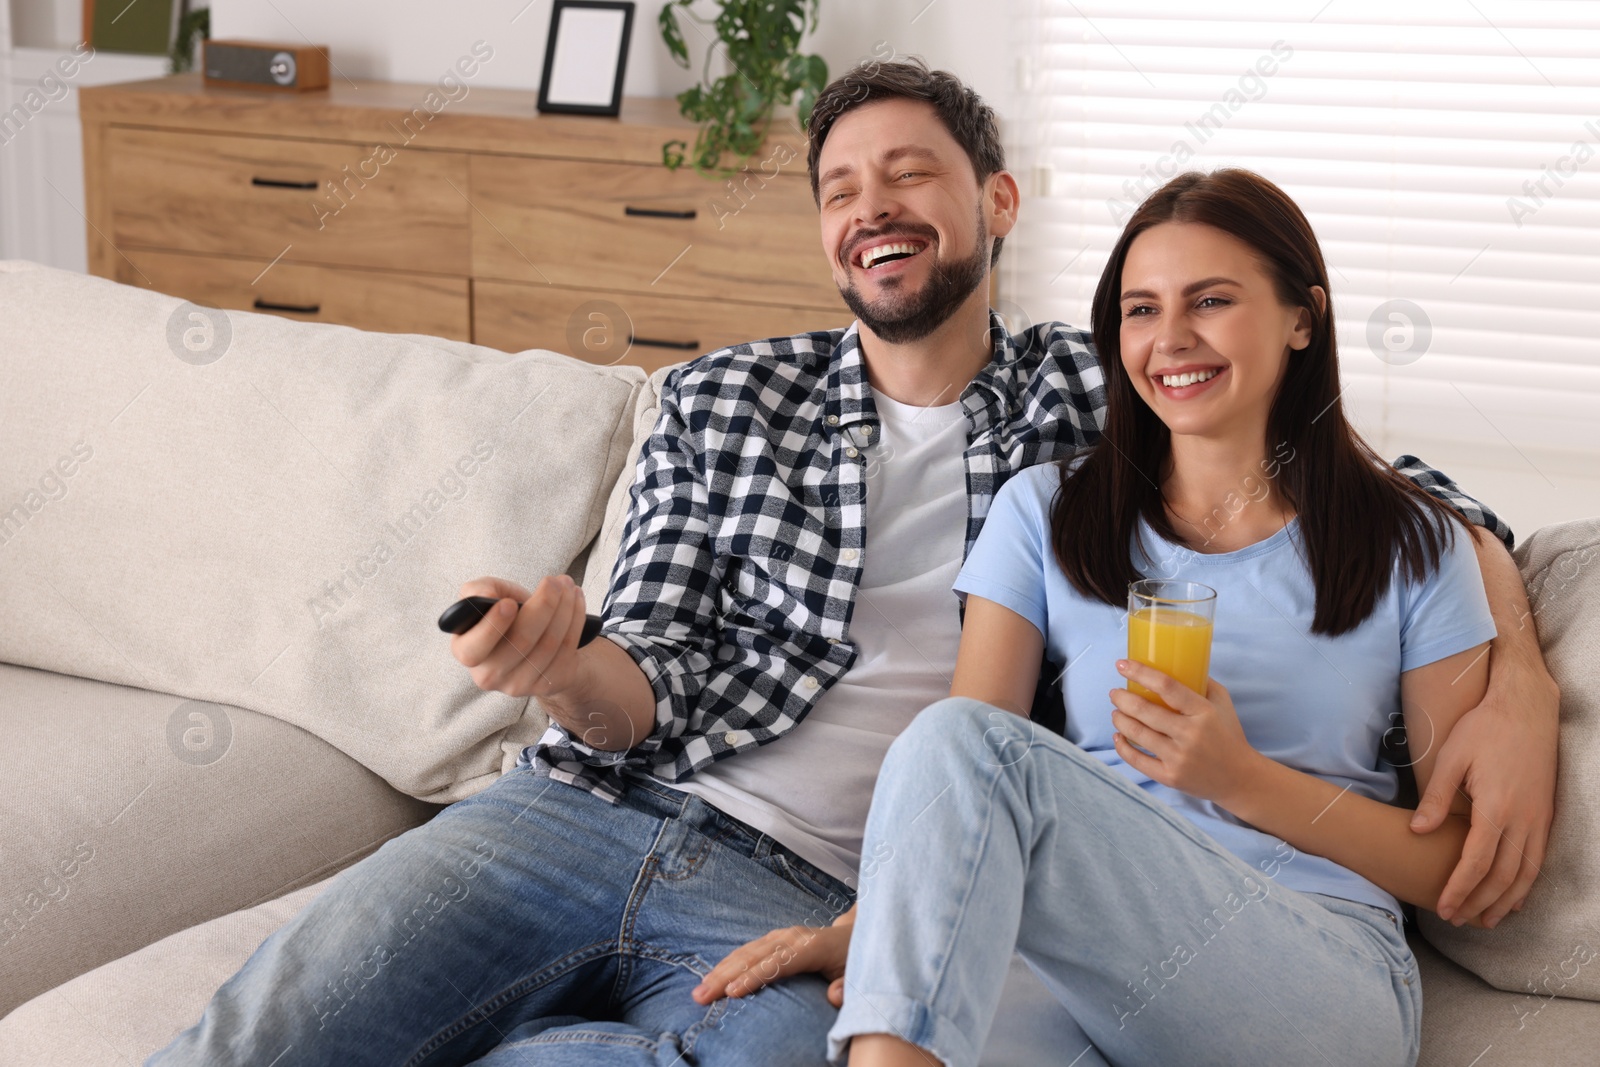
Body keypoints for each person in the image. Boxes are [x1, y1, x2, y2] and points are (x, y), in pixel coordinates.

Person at [150, 62, 1557, 1066]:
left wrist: (1521, 680)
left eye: (910, 174)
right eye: (838, 187)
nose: (871, 206)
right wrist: (567, 665)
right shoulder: (721, 400)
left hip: (814, 883)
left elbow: (1370, 481)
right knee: (267, 1029)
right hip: (588, 814)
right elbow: (642, 677)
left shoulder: (1104, 398)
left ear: (997, 199)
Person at [819, 167, 1509, 1067]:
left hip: (1314, 972)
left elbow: (1452, 865)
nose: (1170, 338)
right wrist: (878, 928)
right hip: (1082, 970)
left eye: (1210, 300)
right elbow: (955, 784)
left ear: (1303, 317)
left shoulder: (1414, 543)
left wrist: (1240, 775)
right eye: (1140, 310)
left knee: (966, 741)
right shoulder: (1046, 513)